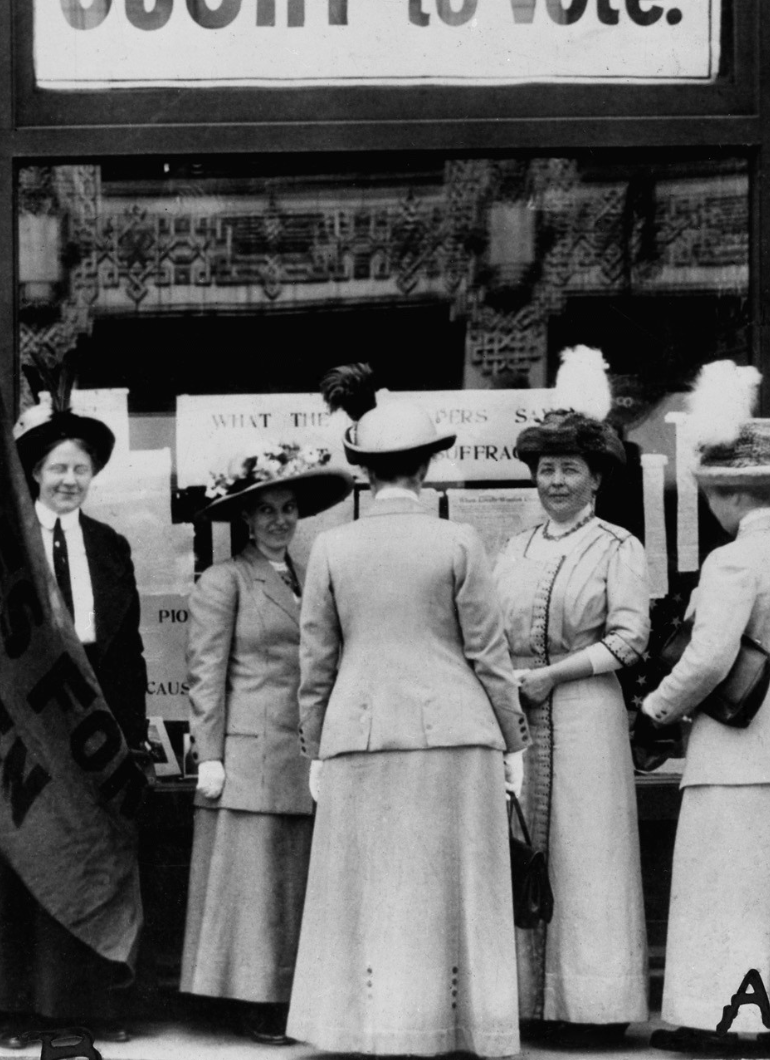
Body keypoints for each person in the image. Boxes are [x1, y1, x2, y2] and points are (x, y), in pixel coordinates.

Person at [287, 398, 528, 1059]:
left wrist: (314, 744)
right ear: (426, 467)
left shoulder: (329, 547)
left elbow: (316, 662)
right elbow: (488, 654)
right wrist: (513, 742)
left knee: (370, 887)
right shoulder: (457, 540)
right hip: (456, 731)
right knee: (454, 886)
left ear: (363, 473)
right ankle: (454, 1026)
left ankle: (373, 1025)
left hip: (359, 735)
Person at [0, 397, 149, 1049]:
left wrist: (134, 736)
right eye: (57, 467)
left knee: (94, 861)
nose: (69, 480)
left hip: (92, 732)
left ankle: (86, 1003)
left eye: (80, 469)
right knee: (25, 861)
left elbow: (129, 650)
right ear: (33, 472)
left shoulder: (109, 546)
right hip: (21, 730)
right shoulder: (1, 546)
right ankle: (13, 1007)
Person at [493, 347, 651, 1038]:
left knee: (587, 854)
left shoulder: (618, 546)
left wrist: (553, 675)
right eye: (546, 469)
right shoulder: (512, 547)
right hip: (520, 717)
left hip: (584, 712)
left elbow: (629, 639)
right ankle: (526, 1002)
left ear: (594, 480)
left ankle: (588, 1008)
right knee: (520, 848)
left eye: (569, 470)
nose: (555, 481)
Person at [181, 440, 354, 1043]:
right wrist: (209, 755)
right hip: (249, 749)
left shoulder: (313, 577)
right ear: (246, 520)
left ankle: (288, 995)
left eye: (288, 509)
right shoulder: (225, 579)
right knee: (253, 884)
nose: (280, 520)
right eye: (267, 511)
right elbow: (206, 673)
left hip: (305, 749)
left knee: (292, 879)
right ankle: (252, 1002)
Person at [641, 362, 770, 1056]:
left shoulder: (732, 561)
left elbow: (707, 659)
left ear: (724, 496)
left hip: (734, 755)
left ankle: (730, 1019)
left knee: (725, 888)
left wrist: (655, 712)